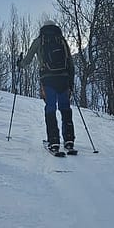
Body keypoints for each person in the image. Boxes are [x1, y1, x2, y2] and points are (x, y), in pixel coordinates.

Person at [20, 22, 76, 154]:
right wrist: (71, 83)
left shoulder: (40, 40)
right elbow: (70, 63)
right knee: (65, 108)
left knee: (50, 108)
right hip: (63, 78)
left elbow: (27, 60)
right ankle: (69, 141)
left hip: (48, 79)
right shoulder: (61, 40)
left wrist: (20, 63)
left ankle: (54, 142)